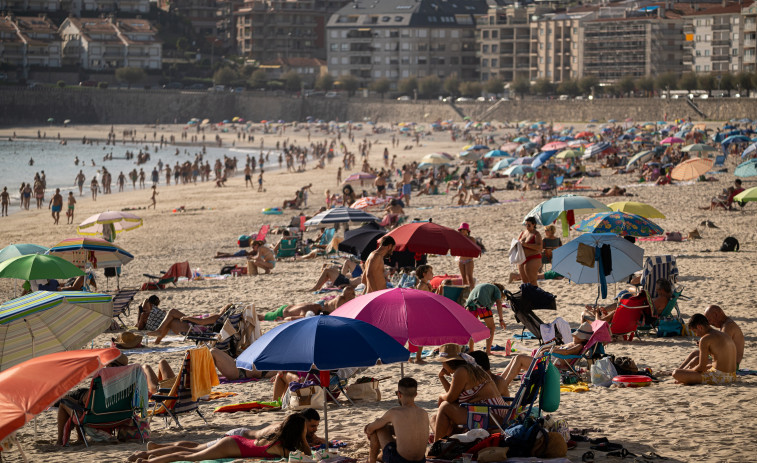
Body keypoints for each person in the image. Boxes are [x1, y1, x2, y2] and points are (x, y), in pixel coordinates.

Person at [131, 413, 311, 463]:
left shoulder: (277, 437)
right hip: (232, 445)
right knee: (189, 456)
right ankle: (148, 461)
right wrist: (303, 438)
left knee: (191, 450)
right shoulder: (285, 449)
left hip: (236, 442)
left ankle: (149, 455)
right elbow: (308, 456)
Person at [500, 321, 594, 395]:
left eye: (578, 335)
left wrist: (551, 350)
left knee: (519, 358)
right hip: (547, 361)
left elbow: (566, 352)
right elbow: (558, 347)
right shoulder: (572, 343)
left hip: (550, 365)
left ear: (583, 339)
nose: (575, 336)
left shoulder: (578, 346)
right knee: (516, 358)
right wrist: (547, 347)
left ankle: (504, 384)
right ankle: (500, 381)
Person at [56, 353, 129, 445]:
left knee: (65, 402)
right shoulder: (128, 380)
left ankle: (60, 441)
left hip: (95, 418)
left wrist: (76, 400)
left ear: (109, 364)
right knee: (77, 404)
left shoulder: (102, 378)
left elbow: (85, 401)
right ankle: (80, 438)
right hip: (119, 417)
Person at [434, 353, 506, 439]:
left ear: (448, 362)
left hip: (492, 416)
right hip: (493, 411)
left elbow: (450, 398)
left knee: (444, 407)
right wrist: (442, 377)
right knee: (435, 418)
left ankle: (437, 446)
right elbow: (453, 395)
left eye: (442, 362)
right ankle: (446, 440)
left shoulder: (461, 371)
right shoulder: (471, 368)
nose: (442, 365)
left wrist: (441, 396)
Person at [365, 377, 429, 463]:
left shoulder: (395, 412)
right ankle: (381, 456)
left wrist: (368, 429)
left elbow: (370, 428)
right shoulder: (423, 413)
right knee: (389, 428)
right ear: (416, 394)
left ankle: (371, 461)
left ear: (399, 394)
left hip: (399, 460)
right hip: (421, 461)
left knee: (379, 427)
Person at [672, 314, 738, 385]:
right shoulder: (723, 335)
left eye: (695, 331)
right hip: (732, 376)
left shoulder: (705, 339)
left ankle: (685, 377)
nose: (696, 335)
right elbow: (719, 357)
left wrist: (689, 372)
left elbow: (701, 367)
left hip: (719, 377)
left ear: (699, 327)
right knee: (700, 363)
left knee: (676, 373)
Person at [679, 305, 744, 370]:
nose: (709, 324)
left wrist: (706, 346)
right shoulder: (725, 324)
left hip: (731, 364)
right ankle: (680, 370)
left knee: (697, 359)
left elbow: (722, 350)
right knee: (695, 353)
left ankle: (684, 373)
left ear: (716, 315)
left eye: (709, 320)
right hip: (726, 359)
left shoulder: (727, 327)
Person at [591, 279, 673, 324]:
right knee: (623, 301)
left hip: (643, 316)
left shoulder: (661, 299)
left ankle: (601, 315)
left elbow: (649, 308)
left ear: (662, 290)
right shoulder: (666, 298)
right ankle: (602, 313)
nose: (656, 291)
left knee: (621, 305)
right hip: (643, 312)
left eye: (657, 289)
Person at [258, 287, 356, 321]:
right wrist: (282, 319)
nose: (353, 295)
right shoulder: (309, 310)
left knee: (263, 315)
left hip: (287, 308)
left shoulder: (316, 306)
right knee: (262, 317)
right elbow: (290, 319)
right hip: (282, 313)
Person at [147, 304, 230, 344]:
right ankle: (157, 339)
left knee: (172, 313)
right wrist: (193, 316)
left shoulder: (217, 316)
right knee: (170, 318)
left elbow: (202, 322)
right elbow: (202, 320)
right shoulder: (216, 316)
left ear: (224, 310)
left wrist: (189, 318)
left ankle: (159, 333)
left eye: (224, 307)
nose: (222, 307)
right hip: (193, 324)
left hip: (192, 326)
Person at [464, 283, 506, 354]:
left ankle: (471, 350)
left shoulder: (483, 286)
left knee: (472, 329)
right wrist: (501, 319)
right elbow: (498, 302)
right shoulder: (497, 290)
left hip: (469, 305)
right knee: (491, 328)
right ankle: (488, 351)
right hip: (482, 305)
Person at [517, 217, 543, 286]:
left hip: (533, 257)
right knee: (524, 281)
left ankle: (536, 295)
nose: (527, 227)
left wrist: (526, 245)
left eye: (529, 225)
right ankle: (529, 296)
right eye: (526, 225)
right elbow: (518, 242)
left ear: (534, 224)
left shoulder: (536, 234)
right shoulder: (523, 233)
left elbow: (539, 247)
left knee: (532, 281)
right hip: (522, 258)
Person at [456, 223, 476, 289]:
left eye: (464, 230)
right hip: (461, 260)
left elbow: (474, 249)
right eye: (461, 230)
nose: (463, 231)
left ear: (467, 231)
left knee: (469, 277)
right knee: (463, 277)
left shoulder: (471, 239)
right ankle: (465, 292)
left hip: (469, 260)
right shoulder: (458, 239)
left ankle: (472, 292)